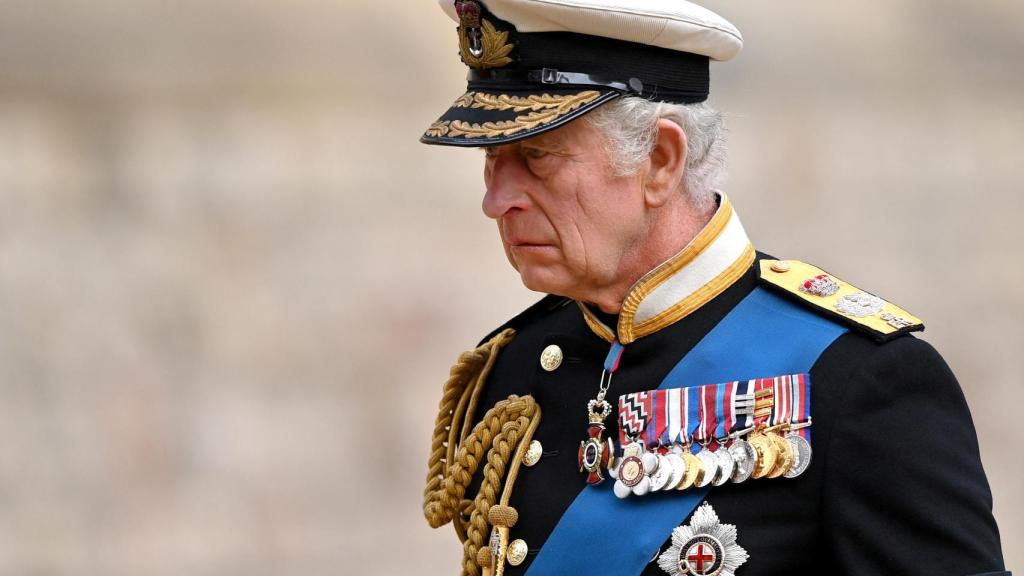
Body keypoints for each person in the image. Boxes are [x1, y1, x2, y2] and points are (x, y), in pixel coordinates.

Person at [419, 1, 1009, 575]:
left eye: (537, 156)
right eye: (493, 158)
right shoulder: (510, 374)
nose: (496, 201)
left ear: (660, 160)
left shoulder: (855, 382)